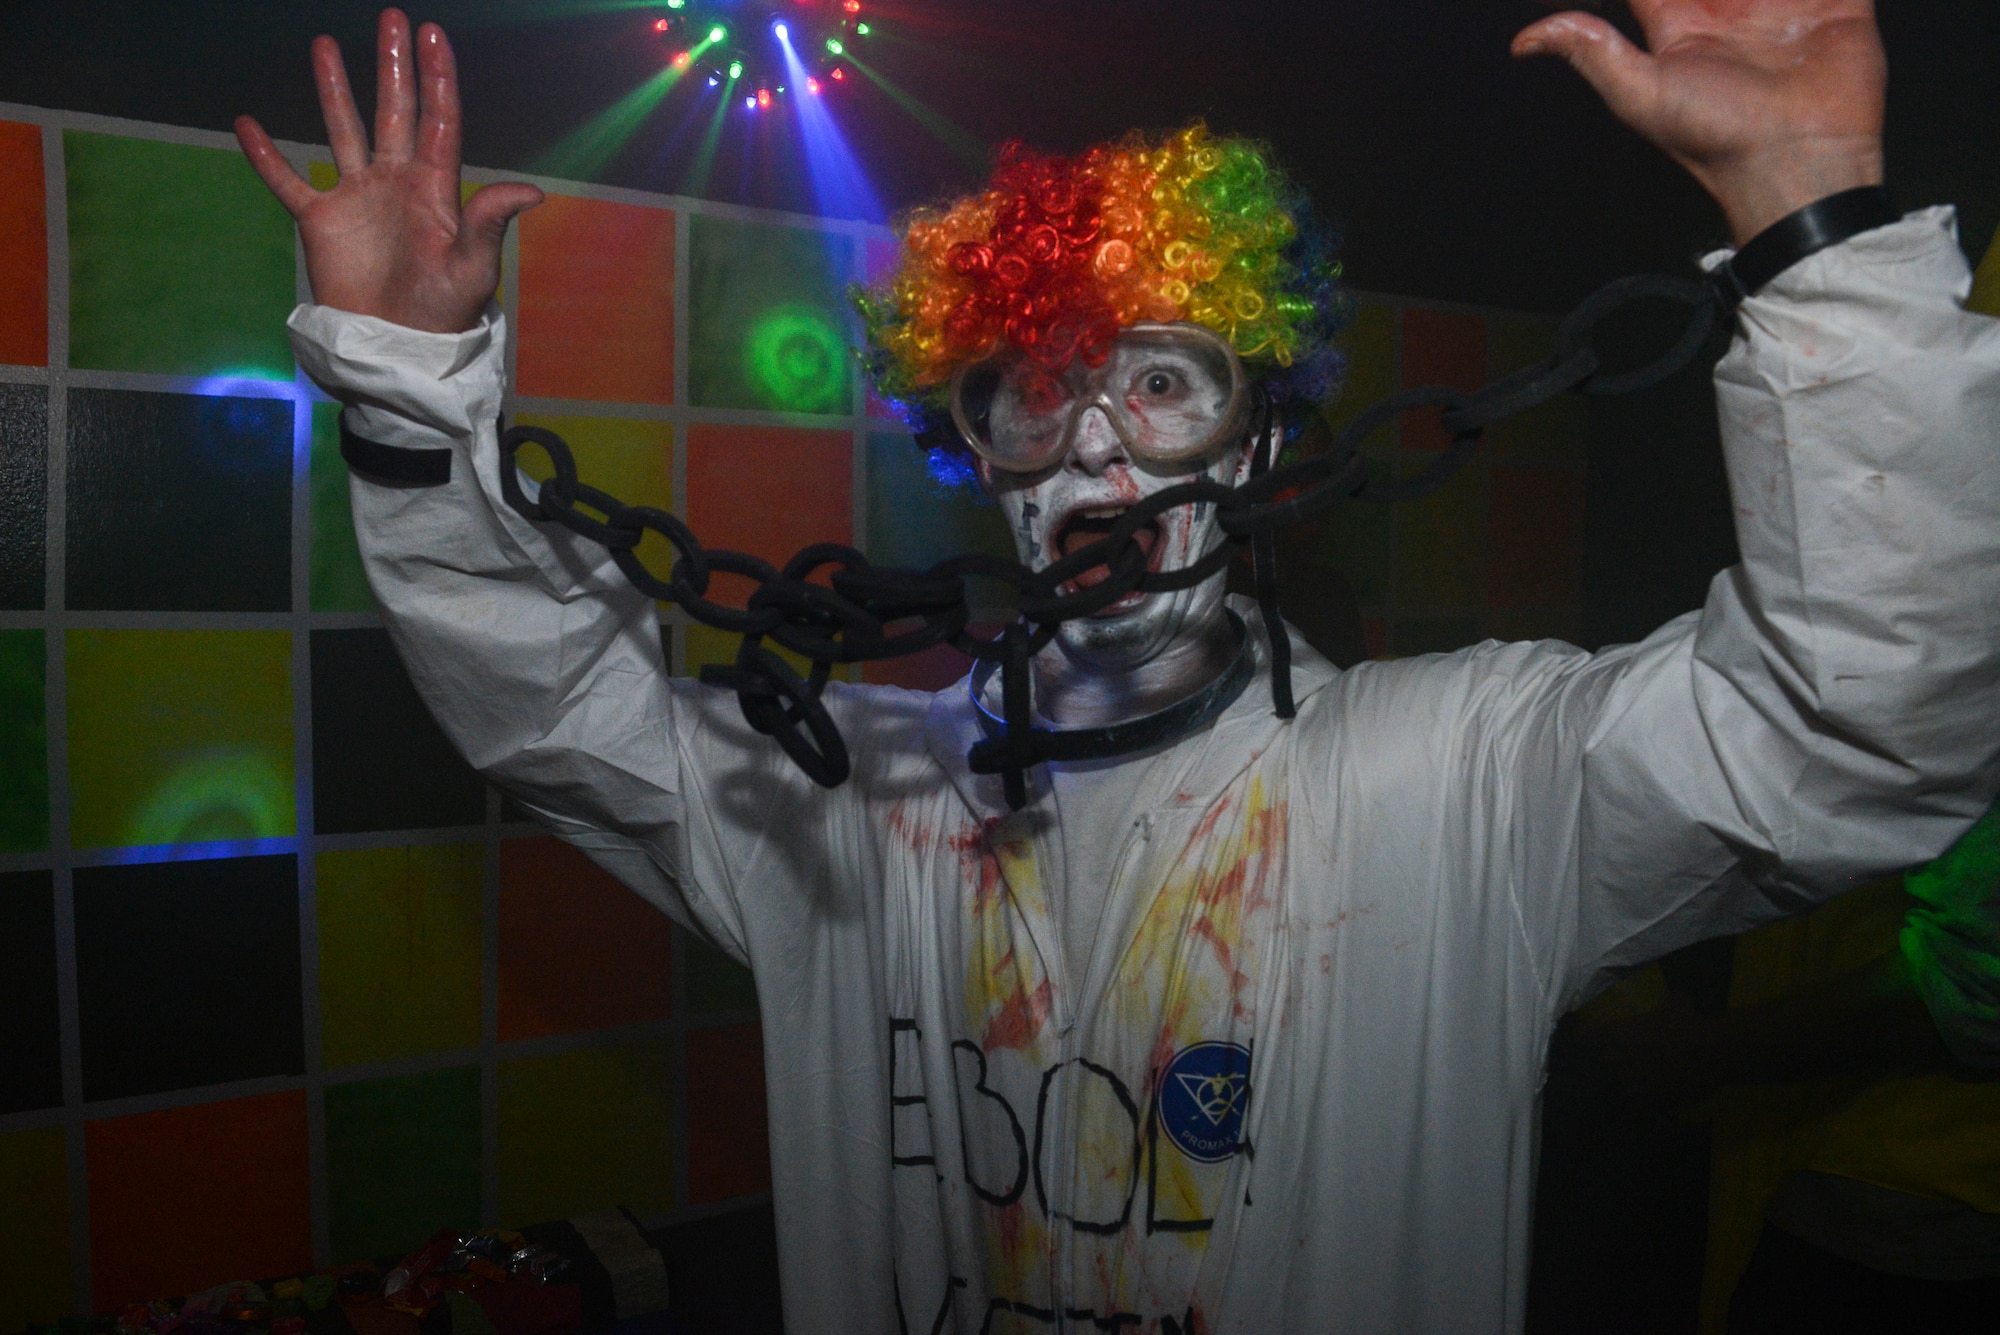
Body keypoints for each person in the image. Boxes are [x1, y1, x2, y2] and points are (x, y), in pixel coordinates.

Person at [233, 3, 2000, 1330]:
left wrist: (1808, 219)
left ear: (1252, 440)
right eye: (1032, 391)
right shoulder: (851, 808)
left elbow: (1858, 729)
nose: (1096, 449)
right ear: (976, 455)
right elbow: (553, 709)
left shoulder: (1469, 780)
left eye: (1161, 380)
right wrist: (405, 384)